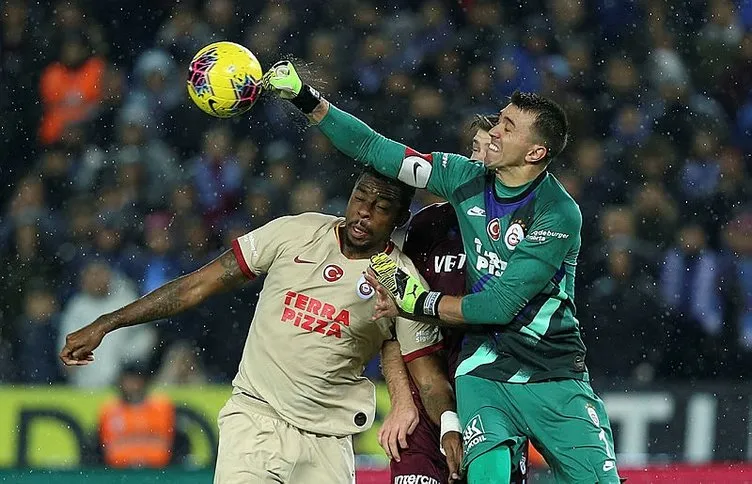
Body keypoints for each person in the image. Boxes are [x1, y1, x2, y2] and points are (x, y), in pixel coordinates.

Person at [264, 61, 621, 484]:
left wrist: (417, 302)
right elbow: (376, 149)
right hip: (484, 367)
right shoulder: (462, 176)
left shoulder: (557, 212)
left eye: (507, 126)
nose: (493, 132)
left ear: (535, 152)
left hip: (554, 371)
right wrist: (307, 100)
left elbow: (499, 305)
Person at [60, 168, 463, 484]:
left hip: (327, 439)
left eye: (382, 206)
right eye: (361, 197)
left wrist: (448, 426)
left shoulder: (402, 280)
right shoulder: (295, 232)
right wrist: (108, 322)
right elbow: (196, 286)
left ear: (401, 217)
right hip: (256, 419)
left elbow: (426, 377)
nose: (364, 212)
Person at [379, 114, 529, 484]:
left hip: (496, 395)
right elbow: (393, 325)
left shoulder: (527, 229)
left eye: (491, 150)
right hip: (422, 396)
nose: (479, 161)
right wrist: (400, 399)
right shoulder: (424, 227)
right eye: (474, 150)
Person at [97, 363, 179, 468]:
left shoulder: (163, 408)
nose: (132, 385)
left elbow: (176, 442)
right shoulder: (109, 411)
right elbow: (99, 448)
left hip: (158, 472)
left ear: (144, 381)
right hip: (118, 473)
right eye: (128, 380)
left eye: (136, 380)